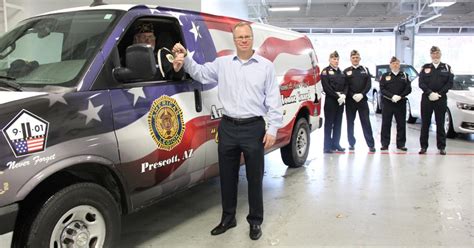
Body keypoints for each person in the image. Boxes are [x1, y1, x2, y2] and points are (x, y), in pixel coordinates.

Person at [172, 22, 283, 241]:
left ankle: (255, 221)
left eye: (247, 36)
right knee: (228, 176)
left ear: (252, 38)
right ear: (234, 40)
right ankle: (228, 218)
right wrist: (185, 58)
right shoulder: (223, 64)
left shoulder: (265, 66)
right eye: (240, 37)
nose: (244, 40)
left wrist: (272, 128)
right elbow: (201, 74)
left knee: (254, 178)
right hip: (228, 127)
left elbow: (273, 101)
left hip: (254, 127)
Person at [418, 46, 453, 155]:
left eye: (437, 53)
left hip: (440, 99)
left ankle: (441, 147)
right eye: (433, 53)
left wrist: (439, 94)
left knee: (440, 123)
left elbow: (449, 83)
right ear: (430, 55)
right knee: (425, 123)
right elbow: (421, 83)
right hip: (427, 99)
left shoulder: (446, 67)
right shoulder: (425, 67)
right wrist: (430, 93)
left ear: (440, 54)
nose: (435, 55)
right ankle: (423, 146)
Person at [343, 50, 376, 152]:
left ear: (360, 58)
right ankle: (351, 143)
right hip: (350, 101)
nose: (355, 59)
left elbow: (368, 84)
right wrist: (352, 95)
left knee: (366, 122)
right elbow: (345, 86)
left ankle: (371, 145)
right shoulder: (346, 71)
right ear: (350, 59)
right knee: (350, 123)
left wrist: (362, 94)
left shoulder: (365, 70)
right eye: (353, 58)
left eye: (357, 57)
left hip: (362, 101)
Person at [379, 56, 411, 151]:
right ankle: (385, 144)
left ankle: (401, 144)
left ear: (399, 65)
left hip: (400, 103)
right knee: (386, 124)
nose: (395, 65)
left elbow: (408, 88)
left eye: (397, 63)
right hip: (388, 103)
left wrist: (400, 96)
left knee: (401, 124)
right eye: (393, 63)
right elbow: (382, 89)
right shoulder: (385, 76)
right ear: (390, 65)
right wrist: (392, 96)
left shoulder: (404, 75)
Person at [321, 51, 347, 154]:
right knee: (329, 124)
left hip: (340, 101)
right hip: (331, 101)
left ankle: (336, 144)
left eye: (337, 59)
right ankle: (327, 147)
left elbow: (346, 85)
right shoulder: (325, 71)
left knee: (338, 123)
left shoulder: (341, 72)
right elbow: (326, 87)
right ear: (329, 60)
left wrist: (344, 94)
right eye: (334, 59)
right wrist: (338, 96)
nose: (336, 61)